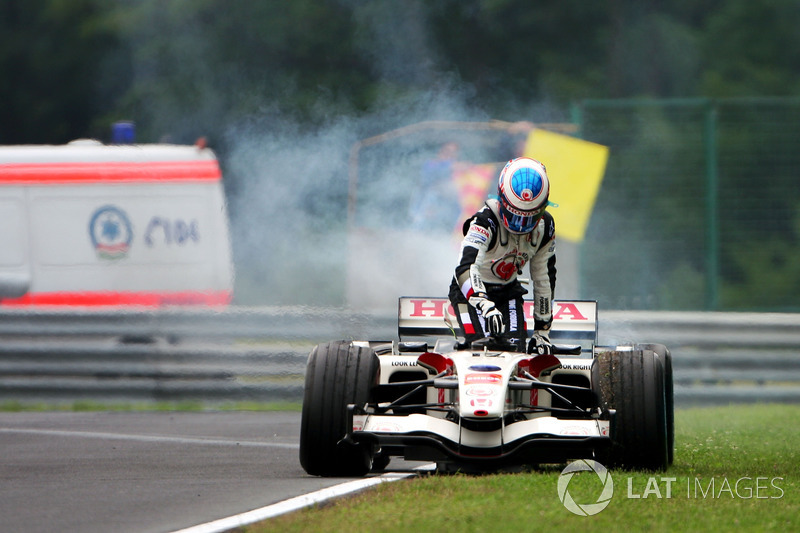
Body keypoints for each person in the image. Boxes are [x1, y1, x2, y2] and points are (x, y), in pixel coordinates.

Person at [448, 157, 556, 354]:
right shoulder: (484, 221)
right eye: (515, 215)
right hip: (471, 294)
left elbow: (543, 278)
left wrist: (542, 331)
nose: (521, 225)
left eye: (529, 217)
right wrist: (483, 302)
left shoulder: (545, 227)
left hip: (509, 292)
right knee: (481, 347)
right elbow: (465, 268)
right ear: (502, 200)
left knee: (516, 350)